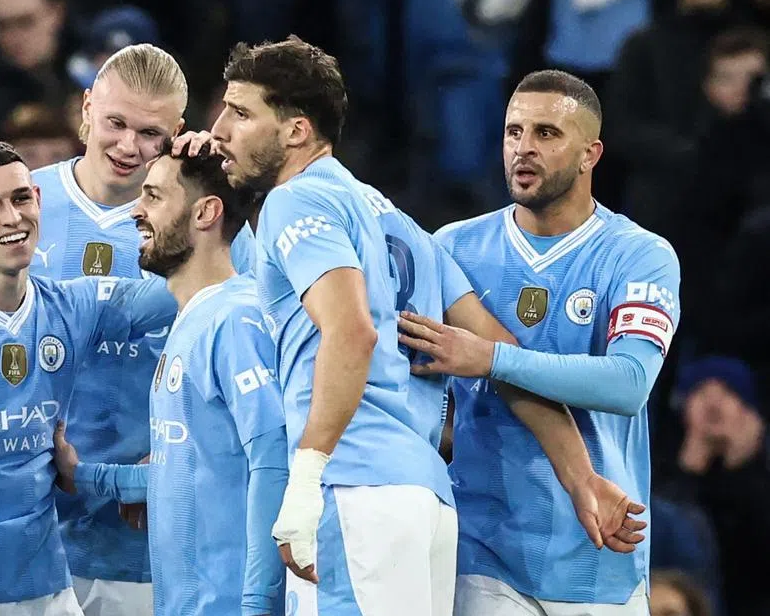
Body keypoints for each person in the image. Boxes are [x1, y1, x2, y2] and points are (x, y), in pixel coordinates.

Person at [181, 38, 644, 615]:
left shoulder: (294, 204)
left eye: (241, 113)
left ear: (297, 131)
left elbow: (351, 332)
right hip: (425, 501)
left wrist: (305, 477)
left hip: (350, 485)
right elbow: (501, 352)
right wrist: (582, 479)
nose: (221, 129)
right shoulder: (399, 222)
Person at [397, 69, 681, 615]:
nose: (523, 149)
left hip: (597, 549)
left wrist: (490, 358)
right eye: (513, 132)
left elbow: (629, 383)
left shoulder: (639, 255)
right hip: (481, 551)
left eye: (547, 133)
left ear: (589, 154)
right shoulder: (452, 246)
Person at [30, 43, 251, 616]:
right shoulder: (19, 203)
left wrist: (215, 179)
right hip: (30, 535)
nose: (128, 146)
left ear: (179, 132)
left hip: (154, 536)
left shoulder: (210, 225)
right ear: (85, 110)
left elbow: (250, 364)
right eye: (115, 123)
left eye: (151, 133)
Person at [0, 139, 178, 616]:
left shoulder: (72, 307)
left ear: (39, 200)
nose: (11, 217)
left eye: (21, 198)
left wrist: (212, 176)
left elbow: (193, 285)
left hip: (47, 583)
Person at [51, 141, 288, 615]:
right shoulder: (192, 320)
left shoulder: (235, 319)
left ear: (206, 213)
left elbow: (273, 459)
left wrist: (259, 602)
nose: (136, 211)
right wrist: (86, 477)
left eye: (154, 197)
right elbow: (199, 470)